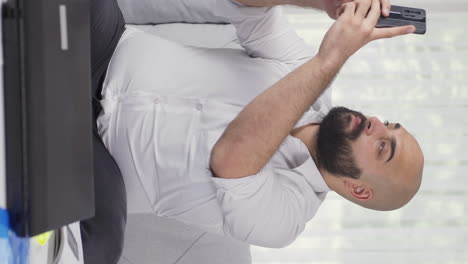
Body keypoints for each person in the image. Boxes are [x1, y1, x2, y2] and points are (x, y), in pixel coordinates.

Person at [93, 0, 424, 251]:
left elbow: (231, 159)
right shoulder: (303, 67)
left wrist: (331, 59)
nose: (376, 124)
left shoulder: (286, 219)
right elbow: (244, 5)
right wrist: (325, 2)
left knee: (100, 245)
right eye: (389, 125)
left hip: (96, 162)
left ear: (359, 190)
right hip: (109, 50)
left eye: (383, 146)